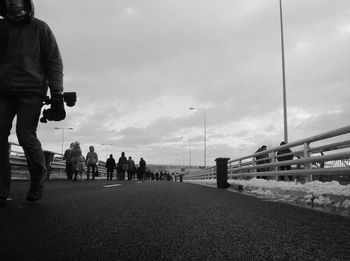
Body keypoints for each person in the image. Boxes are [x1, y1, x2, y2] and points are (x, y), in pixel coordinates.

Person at [0, 0, 64, 204]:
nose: (13, 5)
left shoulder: (40, 28)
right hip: (3, 90)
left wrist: (57, 94)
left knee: (25, 135)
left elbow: (53, 61)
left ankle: (38, 177)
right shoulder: (1, 28)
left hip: (32, 91)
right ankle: (1, 190)